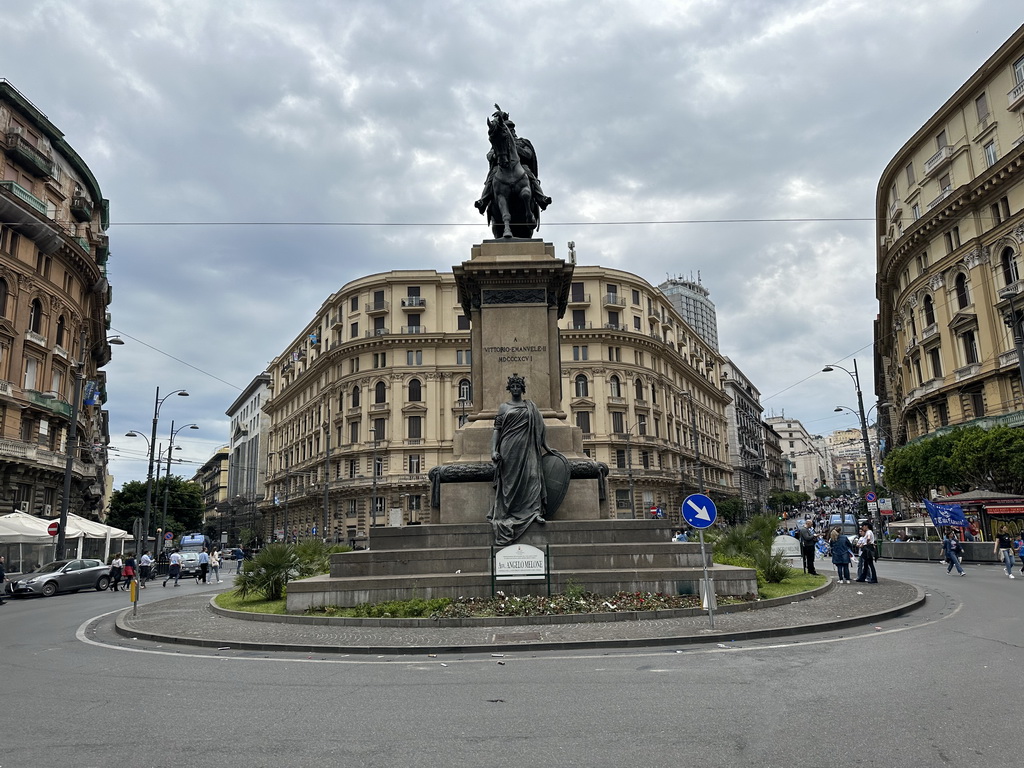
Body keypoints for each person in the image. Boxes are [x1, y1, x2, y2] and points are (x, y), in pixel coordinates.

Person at [488, 373, 553, 545]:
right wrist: (493, 450)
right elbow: (497, 430)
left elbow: (540, 426)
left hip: (528, 447)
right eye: (513, 386)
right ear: (510, 389)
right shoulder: (503, 407)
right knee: (509, 484)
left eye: (518, 386)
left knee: (533, 477)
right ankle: (508, 512)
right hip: (509, 448)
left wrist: (545, 446)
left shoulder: (530, 406)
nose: (516, 389)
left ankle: (534, 512)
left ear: (522, 389)